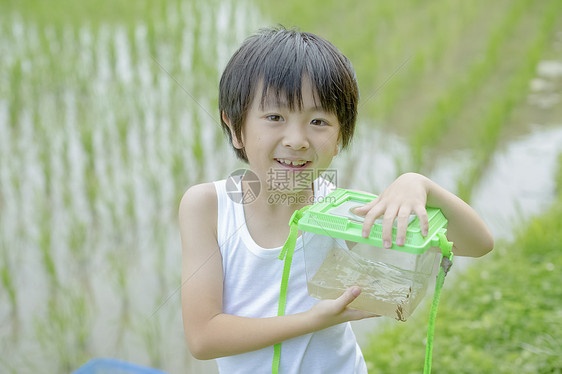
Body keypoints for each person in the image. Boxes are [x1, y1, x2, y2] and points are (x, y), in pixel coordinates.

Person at [179, 26, 494, 374]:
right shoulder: (208, 207)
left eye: (317, 121)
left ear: (340, 135)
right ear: (235, 127)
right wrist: (313, 319)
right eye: (274, 117)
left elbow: (476, 244)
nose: (297, 139)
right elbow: (203, 337)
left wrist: (421, 185)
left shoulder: (340, 209)